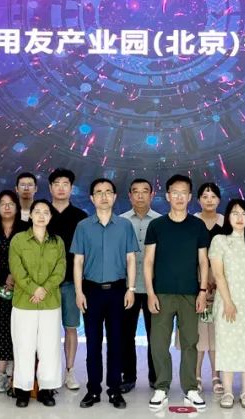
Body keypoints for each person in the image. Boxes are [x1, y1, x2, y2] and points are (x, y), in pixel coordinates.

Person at [144, 174, 210, 411]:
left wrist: (202, 291)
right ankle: (161, 387)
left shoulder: (198, 226)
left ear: (190, 197)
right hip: (162, 293)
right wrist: (150, 293)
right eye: (175, 192)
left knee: (190, 342)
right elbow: (148, 261)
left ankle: (190, 388)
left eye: (184, 193)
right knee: (158, 343)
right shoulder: (157, 226)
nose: (179, 197)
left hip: (190, 294)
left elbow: (203, 262)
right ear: (168, 195)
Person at [73, 178, 139, 409]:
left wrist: (131, 289)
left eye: (108, 192)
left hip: (118, 291)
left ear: (115, 196)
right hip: (91, 291)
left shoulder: (124, 226)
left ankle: (114, 390)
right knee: (92, 343)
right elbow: (78, 261)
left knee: (116, 343)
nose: (104, 196)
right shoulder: (83, 226)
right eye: (99, 192)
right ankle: (93, 390)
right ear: (92, 198)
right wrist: (79, 291)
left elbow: (131, 259)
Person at [9, 200, 66, 408]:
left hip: (50, 303)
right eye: (37, 212)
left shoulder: (57, 242)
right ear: (30, 215)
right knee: (24, 346)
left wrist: (44, 289)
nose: (41, 216)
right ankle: (23, 390)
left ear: (50, 217)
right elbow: (17, 270)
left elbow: (60, 269)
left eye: (46, 212)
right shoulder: (18, 240)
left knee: (49, 347)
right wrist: (34, 289)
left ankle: (46, 389)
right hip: (24, 303)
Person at [209, 199, 245, 409]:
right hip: (226, 300)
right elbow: (218, 274)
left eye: (244, 214)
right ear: (228, 217)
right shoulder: (220, 240)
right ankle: (228, 391)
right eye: (235, 213)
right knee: (227, 344)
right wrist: (228, 302)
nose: (240, 218)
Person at [46, 167, 88, 390]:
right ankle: (49, 373)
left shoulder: (80, 217)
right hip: (46, 284)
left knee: (71, 327)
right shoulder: (42, 213)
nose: (61, 188)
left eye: (65, 184)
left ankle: (70, 371)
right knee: (48, 331)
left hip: (72, 282)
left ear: (72, 188)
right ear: (50, 187)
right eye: (57, 184)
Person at [120, 178, 161, 392]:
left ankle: (156, 377)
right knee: (126, 335)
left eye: (145, 191)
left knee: (156, 335)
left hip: (154, 288)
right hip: (128, 288)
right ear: (129, 195)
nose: (140, 195)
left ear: (152, 195)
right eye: (135, 191)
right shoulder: (121, 221)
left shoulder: (161, 221)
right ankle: (128, 377)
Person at [0, 190, 30, 394]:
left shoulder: (25, 228)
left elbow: (29, 257)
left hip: (21, 286)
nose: (7, 207)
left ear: (17, 206)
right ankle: (0, 376)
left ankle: (17, 375)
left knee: (20, 330)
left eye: (11, 203)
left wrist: (14, 276)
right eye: (2, 203)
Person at [194, 182, 223, 395]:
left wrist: (218, 280)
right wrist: (201, 283)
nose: (209, 200)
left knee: (217, 333)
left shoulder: (226, 223)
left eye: (213, 196)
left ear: (219, 200)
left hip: (221, 285)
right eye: (205, 196)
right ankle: (196, 375)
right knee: (197, 333)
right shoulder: (192, 222)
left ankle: (216, 375)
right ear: (198, 200)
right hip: (197, 284)